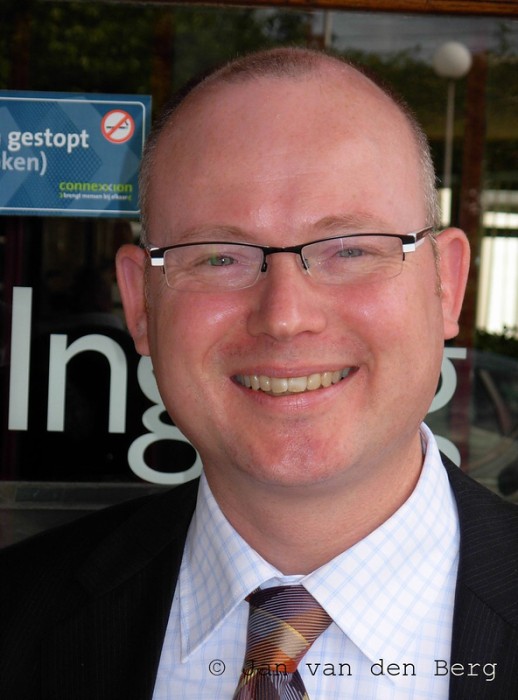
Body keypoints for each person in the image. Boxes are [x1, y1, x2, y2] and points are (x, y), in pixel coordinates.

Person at [1, 47, 517, 700]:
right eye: (218, 257)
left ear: (447, 284)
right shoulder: (17, 616)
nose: (285, 316)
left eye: (350, 249)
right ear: (139, 303)